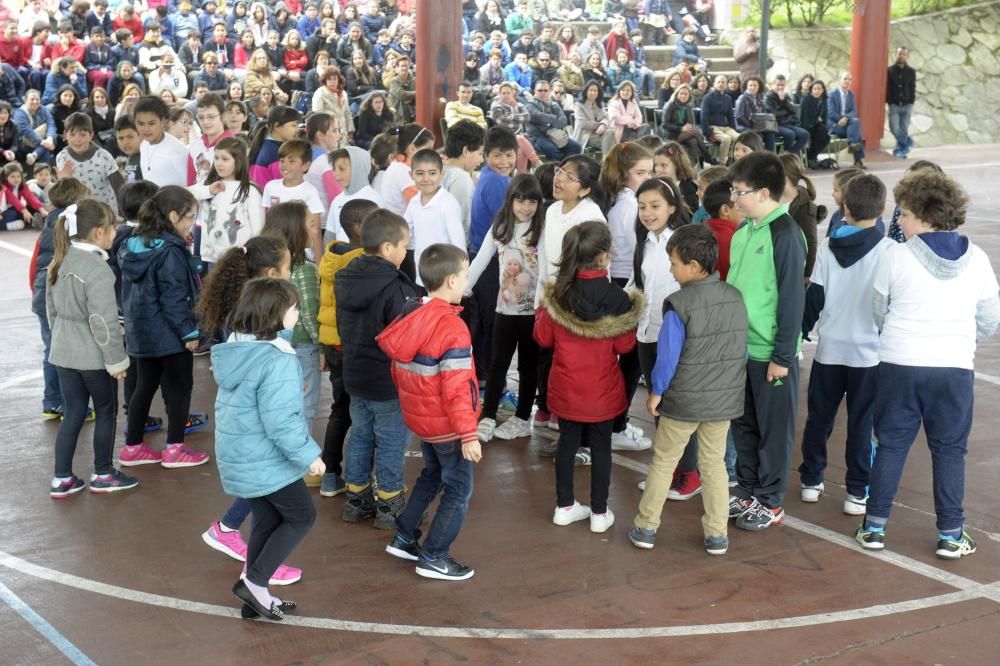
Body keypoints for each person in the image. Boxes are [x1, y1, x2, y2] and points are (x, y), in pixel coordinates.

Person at [857, 171, 999, 559]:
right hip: (953, 367)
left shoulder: (895, 257)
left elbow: (879, 312)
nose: (899, 221)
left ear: (922, 214)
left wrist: (901, 339)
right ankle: (951, 534)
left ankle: (874, 527)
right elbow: (990, 318)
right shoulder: (979, 259)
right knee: (950, 450)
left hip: (900, 364)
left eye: (904, 213)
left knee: (891, 445)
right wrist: (959, 342)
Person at [630, 223, 748, 554]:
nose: (671, 268)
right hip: (722, 400)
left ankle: (646, 527)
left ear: (693, 267)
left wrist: (656, 392)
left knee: (665, 461)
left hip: (683, 400)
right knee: (714, 466)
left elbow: (667, 358)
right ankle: (717, 534)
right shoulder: (734, 297)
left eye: (674, 263)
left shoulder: (678, 304)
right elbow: (743, 349)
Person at [213, 277, 323, 622]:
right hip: (266, 458)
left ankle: (255, 596)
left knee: (267, 517)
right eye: (294, 308)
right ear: (278, 315)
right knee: (302, 515)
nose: (298, 313)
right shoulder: (278, 361)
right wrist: (310, 456)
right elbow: (282, 422)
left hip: (241, 454)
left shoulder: (240, 348)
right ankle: (255, 582)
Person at [377, 243, 482, 580]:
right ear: (452, 281)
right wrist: (469, 433)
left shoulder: (412, 313)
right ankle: (435, 555)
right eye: (465, 275)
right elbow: (456, 389)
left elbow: (398, 371)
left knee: (432, 475)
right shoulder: (452, 328)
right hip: (449, 427)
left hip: (423, 421)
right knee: (459, 489)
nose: (467, 281)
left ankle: (405, 536)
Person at [535, 221, 641, 532]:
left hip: (566, 388)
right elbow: (625, 344)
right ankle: (599, 513)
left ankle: (564, 506)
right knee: (601, 448)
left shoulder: (559, 296)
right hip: (603, 390)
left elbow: (543, 338)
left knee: (567, 443)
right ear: (605, 256)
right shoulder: (618, 298)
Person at [799, 173, 893, 517]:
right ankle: (857, 492)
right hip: (869, 353)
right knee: (861, 423)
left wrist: (799, 334)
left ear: (845, 207)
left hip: (830, 350)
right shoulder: (890, 251)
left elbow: (815, 297)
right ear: (882, 209)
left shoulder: (828, 246)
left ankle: (811, 481)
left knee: (819, 417)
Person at [726, 152, 806, 531]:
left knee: (774, 432)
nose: (734, 199)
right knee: (744, 427)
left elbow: (792, 300)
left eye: (739, 192)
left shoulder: (786, 233)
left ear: (761, 193)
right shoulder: (744, 233)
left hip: (771, 355)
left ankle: (771, 501)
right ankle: (748, 489)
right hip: (740, 351)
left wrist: (783, 356)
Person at [46, 198, 138, 498]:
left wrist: (62, 337)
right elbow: (103, 321)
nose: (115, 233)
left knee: (73, 413)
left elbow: (51, 311)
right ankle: (103, 472)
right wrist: (117, 360)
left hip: (63, 352)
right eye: (113, 227)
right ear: (99, 232)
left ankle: (62, 478)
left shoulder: (59, 260)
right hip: (94, 357)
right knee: (106, 411)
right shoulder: (98, 269)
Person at [335, 209, 419, 528]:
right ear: (387, 248)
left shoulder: (347, 277)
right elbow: (405, 338)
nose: (405, 252)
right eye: (403, 246)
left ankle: (356, 499)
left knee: (360, 436)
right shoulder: (394, 286)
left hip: (354, 372)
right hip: (387, 379)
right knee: (390, 441)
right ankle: (390, 503)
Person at [118, 186, 210, 469]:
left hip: (141, 333)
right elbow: (173, 296)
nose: (191, 222)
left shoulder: (133, 244)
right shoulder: (170, 251)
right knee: (180, 388)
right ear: (173, 216)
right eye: (189, 216)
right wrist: (189, 331)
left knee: (143, 387)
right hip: (170, 334)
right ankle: (174, 448)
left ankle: (132, 447)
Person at [469, 174, 544, 443]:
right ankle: (488, 416)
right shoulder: (500, 227)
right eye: (520, 200)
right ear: (510, 200)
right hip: (504, 309)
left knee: (528, 365)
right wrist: (462, 289)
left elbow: (546, 269)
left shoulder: (540, 229)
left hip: (532, 314)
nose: (525, 207)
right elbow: (480, 261)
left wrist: (542, 305)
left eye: (532, 201)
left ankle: (523, 417)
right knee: (497, 363)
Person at [316, 199, 374, 498]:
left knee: (340, 410)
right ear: (359, 228)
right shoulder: (362, 262)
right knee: (365, 412)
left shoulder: (330, 257)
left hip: (334, 344)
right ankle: (361, 479)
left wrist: (323, 346)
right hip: (358, 345)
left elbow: (323, 304)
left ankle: (330, 475)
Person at [31, 178, 91, 421]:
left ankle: (52, 402)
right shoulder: (69, 223)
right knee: (67, 353)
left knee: (51, 351)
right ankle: (69, 406)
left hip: (42, 295)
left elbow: (36, 263)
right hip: (58, 297)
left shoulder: (49, 223)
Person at [190, 136, 264, 268]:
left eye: (225, 159)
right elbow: (184, 194)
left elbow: (258, 230)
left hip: (240, 259)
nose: (219, 163)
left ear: (239, 161)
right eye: (216, 158)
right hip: (212, 258)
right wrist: (209, 190)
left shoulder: (250, 191)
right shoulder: (208, 185)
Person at [404, 149, 466, 287]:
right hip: (421, 276)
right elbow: (406, 232)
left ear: (441, 175)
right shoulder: (414, 202)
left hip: (445, 277)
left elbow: (459, 243)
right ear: (411, 175)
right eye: (420, 173)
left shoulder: (448, 203)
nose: (426, 179)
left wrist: (462, 280)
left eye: (432, 173)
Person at [261, 139, 324, 260]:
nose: (285, 165)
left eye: (291, 161)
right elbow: (267, 222)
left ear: (306, 165)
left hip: (302, 255)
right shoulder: (271, 187)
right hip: (276, 252)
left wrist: (319, 262)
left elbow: (315, 229)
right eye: (282, 160)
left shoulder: (310, 192)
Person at [54, 112, 123, 215]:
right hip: (77, 213)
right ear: (65, 135)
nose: (77, 140)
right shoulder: (62, 157)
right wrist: (64, 179)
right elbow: (63, 194)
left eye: (83, 135)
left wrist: (126, 211)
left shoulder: (104, 156)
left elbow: (119, 185)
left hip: (103, 212)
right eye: (72, 135)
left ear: (91, 135)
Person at [778, 153, 824, 280]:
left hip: (793, 269)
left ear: (785, 179)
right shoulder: (772, 198)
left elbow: (811, 242)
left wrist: (807, 273)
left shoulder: (806, 208)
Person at [135, 95, 196, 187]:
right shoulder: (143, 145)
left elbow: (190, 184)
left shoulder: (177, 150)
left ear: (163, 121)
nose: (146, 129)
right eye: (140, 124)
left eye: (151, 123)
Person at [441, 120, 486, 237]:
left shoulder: (441, 171)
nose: (482, 160)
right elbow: (460, 220)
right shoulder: (461, 178)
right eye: (480, 153)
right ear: (466, 151)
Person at [524, 78, 581, 161]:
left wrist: (548, 122)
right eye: (540, 90)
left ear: (550, 91)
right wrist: (554, 117)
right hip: (538, 137)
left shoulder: (553, 104)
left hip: (555, 134)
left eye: (545, 90)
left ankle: (565, 166)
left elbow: (563, 121)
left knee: (576, 147)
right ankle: (560, 167)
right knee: (552, 150)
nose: (543, 93)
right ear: (535, 91)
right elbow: (538, 116)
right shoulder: (529, 105)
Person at [248, 104, 301, 188]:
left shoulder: (268, 146)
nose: (297, 129)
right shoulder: (274, 152)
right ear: (276, 125)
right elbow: (284, 187)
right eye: (293, 125)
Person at [662, 84, 713, 167]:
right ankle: (708, 158)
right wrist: (681, 129)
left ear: (689, 96)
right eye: (681, 93)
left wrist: (688, 126)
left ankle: (690, 167)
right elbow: (664, 125)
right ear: (677, 94)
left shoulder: (688, 106)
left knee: (694, 141)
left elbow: (690, 122)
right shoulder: (670, 105)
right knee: (695, 132)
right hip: (671, 135)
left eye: (686, 94)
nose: (683, 96)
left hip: (686, 134)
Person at [701, 179, 742, 280]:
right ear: (725, 210)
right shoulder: (732, 239)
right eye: (738, 204)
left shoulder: (702, 231)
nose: (742, 208)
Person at [763, 75, 808, 157]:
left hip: (786, 123)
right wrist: (786, 112)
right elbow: (773, 114)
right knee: (790, 134)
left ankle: (788, 155)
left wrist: (783, 100)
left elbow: (794, 111)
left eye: (782, 85)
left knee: (805, 134)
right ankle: (786, 157)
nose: (780, 87)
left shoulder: (785, 96)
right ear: (773, 85)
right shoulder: (768, 97)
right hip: (774, 125)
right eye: (778, 85)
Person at [827, 72, 865, 169]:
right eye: (845, 79)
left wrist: (846, 118)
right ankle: (857, 160)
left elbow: (854, 111)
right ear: (840, 80)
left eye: (849, 79)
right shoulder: (832, 94)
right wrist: (841, 119)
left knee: (856, 122)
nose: (847, 81)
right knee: (857, 133)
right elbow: (830, 113)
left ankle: (852, 143)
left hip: (846, 124)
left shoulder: (851, 94)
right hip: (835, 125)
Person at [700, 74, 739, 164]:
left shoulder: (727, 98)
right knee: (726, 139)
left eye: (723, 82)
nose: (721, 84)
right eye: (718, 82)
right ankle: (721, 163)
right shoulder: (708, 98)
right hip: (713, 127)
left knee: (738, 137)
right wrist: (707, 132)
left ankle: (730, 159)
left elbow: (730, 115)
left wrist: (733, 128)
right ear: (714, 84)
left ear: (726, 85)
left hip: (725, 128)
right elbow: (703, 116)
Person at [887, 46, 916, 160]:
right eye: (900, 54)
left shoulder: (911, 71)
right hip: (894, 105)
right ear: (896, 55)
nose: (901, 56)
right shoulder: (889, 70)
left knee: (903, 130)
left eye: (904, 54)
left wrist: (911, 101)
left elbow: (912, 87)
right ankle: (909, 142)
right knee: (894, 128)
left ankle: (900, 151)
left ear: (907, 56)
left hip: (907, 105)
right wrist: (889, 100)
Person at [14, 89, 57, 166]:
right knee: (46, 148)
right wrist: (43, 142)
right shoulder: (19, 113)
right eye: (32, 99)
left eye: (37, 99)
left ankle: (35, 155)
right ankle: (44, 171)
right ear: (25, 100)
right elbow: (27, 131)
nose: (35, 101)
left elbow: (51, 123)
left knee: (52, 139)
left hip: (42, 141)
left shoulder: (44, 109)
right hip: (25, 142)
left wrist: (50, 138)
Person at [653, 141, 698, 213]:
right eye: (656, 165)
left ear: (677, 164)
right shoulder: (653, 186)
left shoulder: (689, 190)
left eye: (663, 165)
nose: (657, 169)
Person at [0, 162, 45, 230]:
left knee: (31, 207)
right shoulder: (4, 187)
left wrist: (41, 209)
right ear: (6, 177)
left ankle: (37, 221)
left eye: (18, 176)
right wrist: (24, 211)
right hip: (3, 211)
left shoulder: (22, 186)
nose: (16, 179)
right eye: (12, 176)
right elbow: (13, 199)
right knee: (13, 214)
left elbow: (30, 197)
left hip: (16, 208)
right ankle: (6, 226)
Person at [799, 79, 830, 169]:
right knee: (822, 130)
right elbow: (803, 117)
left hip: (817, 126)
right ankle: (812, 158)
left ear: (823, 90)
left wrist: (821, 122)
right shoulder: (806, 99)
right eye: (815, 89)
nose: (817, 91)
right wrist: (805, 129)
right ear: (811, 90)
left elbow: (824, 116)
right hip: (806, 126)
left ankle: (810, 157)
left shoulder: (823, 100)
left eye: (819, 89)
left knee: (827, 138)